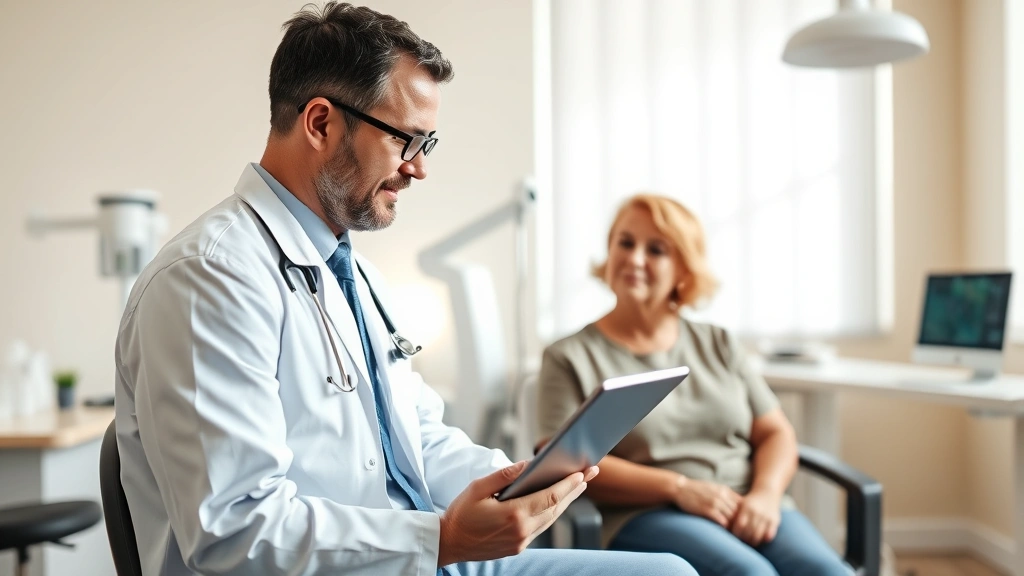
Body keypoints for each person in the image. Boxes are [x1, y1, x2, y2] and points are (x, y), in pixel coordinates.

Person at [113, 4, 696, 576]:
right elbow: (233, 532)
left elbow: (416, 437)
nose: (418, 168)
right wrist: (440, 538)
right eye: (405, 141)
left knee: (670, 571)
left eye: (427, 144)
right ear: (321, 123)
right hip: (385, 559)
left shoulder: (353, 273)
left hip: (418, 556)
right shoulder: (208, 278)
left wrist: (520, 480)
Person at [537, 194, 853, 576]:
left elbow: (775, 433)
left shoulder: (718, 343)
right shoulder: (569, 356)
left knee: (831, 573)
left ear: (683, 270)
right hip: (647, 512)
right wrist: (679, 488)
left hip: (748, 502)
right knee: (752, 574)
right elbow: (557, 460)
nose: (635, 258)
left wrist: (766, 496)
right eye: (625, 242)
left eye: (656, 250)